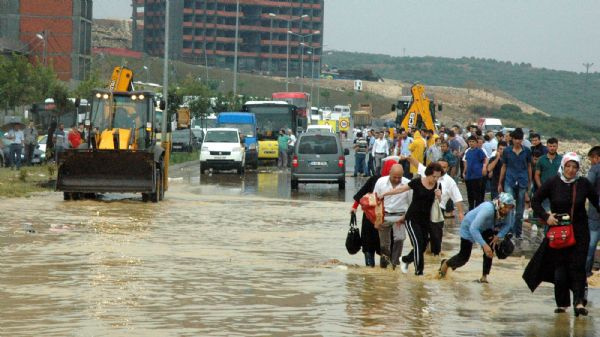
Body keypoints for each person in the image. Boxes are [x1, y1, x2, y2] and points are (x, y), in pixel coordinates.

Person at [524, 152, 600, 316]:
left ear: (578, 169)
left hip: (580, 232)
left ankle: (579, 302)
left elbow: (597, 202)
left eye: (575, 167)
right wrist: (546, 217)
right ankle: (562, 303)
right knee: (560, 270)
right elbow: (535, 200)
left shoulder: (584, 184)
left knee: (578, 267)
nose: (571, 170)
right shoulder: (553, 183)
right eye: (568, 166)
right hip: (558, 233)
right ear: (563, 166)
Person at [381, 162, 443, 275]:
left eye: (438, 177)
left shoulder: (438, 186)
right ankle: (419, 273)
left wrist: (439, 196)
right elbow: (400, 189)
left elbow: (438, 204)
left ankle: (405, 259)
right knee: (418, 244)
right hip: (412, 219)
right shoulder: (417, 182)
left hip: (426, 221)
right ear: (428, 173)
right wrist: (384, 194)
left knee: (423, 246)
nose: (435, 179)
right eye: (434, 176)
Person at [439, 192, 515, 282]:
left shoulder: (508, 212)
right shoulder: (488, 209)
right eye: (505, 207)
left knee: (490, 249)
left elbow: (507, 225)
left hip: (486, 228)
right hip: (469, 227)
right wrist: (484, 245)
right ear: (499, 204)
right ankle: (446, 263)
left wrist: (498, 236)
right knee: (463, 258)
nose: (506, 210)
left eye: (509, 208)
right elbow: (473, 228)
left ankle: (484, 277)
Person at [405, 155, 465, 255]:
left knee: (436, 237)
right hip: (422, 210)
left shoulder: (450, 182)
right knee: (419, 235)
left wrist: (460, 213)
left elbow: (458, 198)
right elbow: (417, 164)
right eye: (439, 166)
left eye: (444, 167)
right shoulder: (428, 172)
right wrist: (407, 157)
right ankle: (420, 252)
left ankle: (435, 256)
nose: (441, 169)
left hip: (438, 211)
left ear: (448, 168)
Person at [373, 161, 412, 268]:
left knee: (400, 239)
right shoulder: (380, 182)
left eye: (399, 177)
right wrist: (376, 219)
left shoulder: (408, 184)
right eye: (394, 177)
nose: (397, 179)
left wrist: (406, 217)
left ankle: (395, 264)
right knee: (384, 245)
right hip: (384, 215)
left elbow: (411, 203)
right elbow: (375, 201)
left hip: (400, 216)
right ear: (389, 172)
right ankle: (384, 266)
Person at [499, 129, 532, 239]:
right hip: (509, 180)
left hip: (522, 181)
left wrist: (529, 182)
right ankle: (509, 231)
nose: (518, 141)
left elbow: (529, 166)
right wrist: (500, 182)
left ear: (522, 140)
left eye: (520, 139)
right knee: (509, 205)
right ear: (512, 139)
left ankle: (518, 232)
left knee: (520, 209)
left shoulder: (527, 151)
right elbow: (504, 166)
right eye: (516, 139)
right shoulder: (507, 151)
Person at [586, 146, 600, 276]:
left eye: (591, 159)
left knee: (591, 244)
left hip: (595, 212)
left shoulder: (595, 169)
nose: (591, 162)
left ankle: (586, 272)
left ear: (596, 158)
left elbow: (587, 186)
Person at [463, 135, 488, 210]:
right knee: (470, 194)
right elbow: (466, 162)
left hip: (477, 176)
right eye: (470, 141)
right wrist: (464, 172)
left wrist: (484, 167)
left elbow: (485, 159)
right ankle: (470, 209)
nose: (471, 143)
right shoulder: (467, 151)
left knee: (478, 195)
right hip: (469, 176)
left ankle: (477, 209)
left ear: (476, 143)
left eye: (473, 141)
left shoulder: (479, 151)